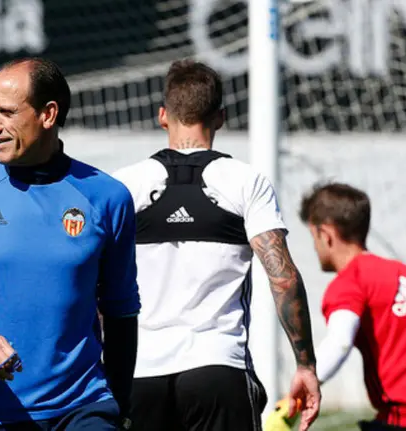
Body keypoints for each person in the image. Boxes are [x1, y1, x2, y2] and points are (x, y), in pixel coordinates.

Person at [0, 57, 140, 430]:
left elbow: (120, 312)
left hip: (82, 408)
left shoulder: (108, 197)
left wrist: (120, 406)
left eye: (5, 112)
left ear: (48, 114)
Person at [112, 59, 321, 431]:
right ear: (221, 117)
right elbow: (284, 279)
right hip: (217, 367)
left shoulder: (125, 185)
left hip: (139, 372)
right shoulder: (245, 181)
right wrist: (305, 365)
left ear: (163, 115)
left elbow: (96, 283)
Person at [267, 183, 406, 431]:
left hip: (401, 417)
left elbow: (340, 342)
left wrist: (302, 391)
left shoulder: (350, 282)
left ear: (325, 234)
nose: (315, 247)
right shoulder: (402, 273)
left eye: (313, 237)